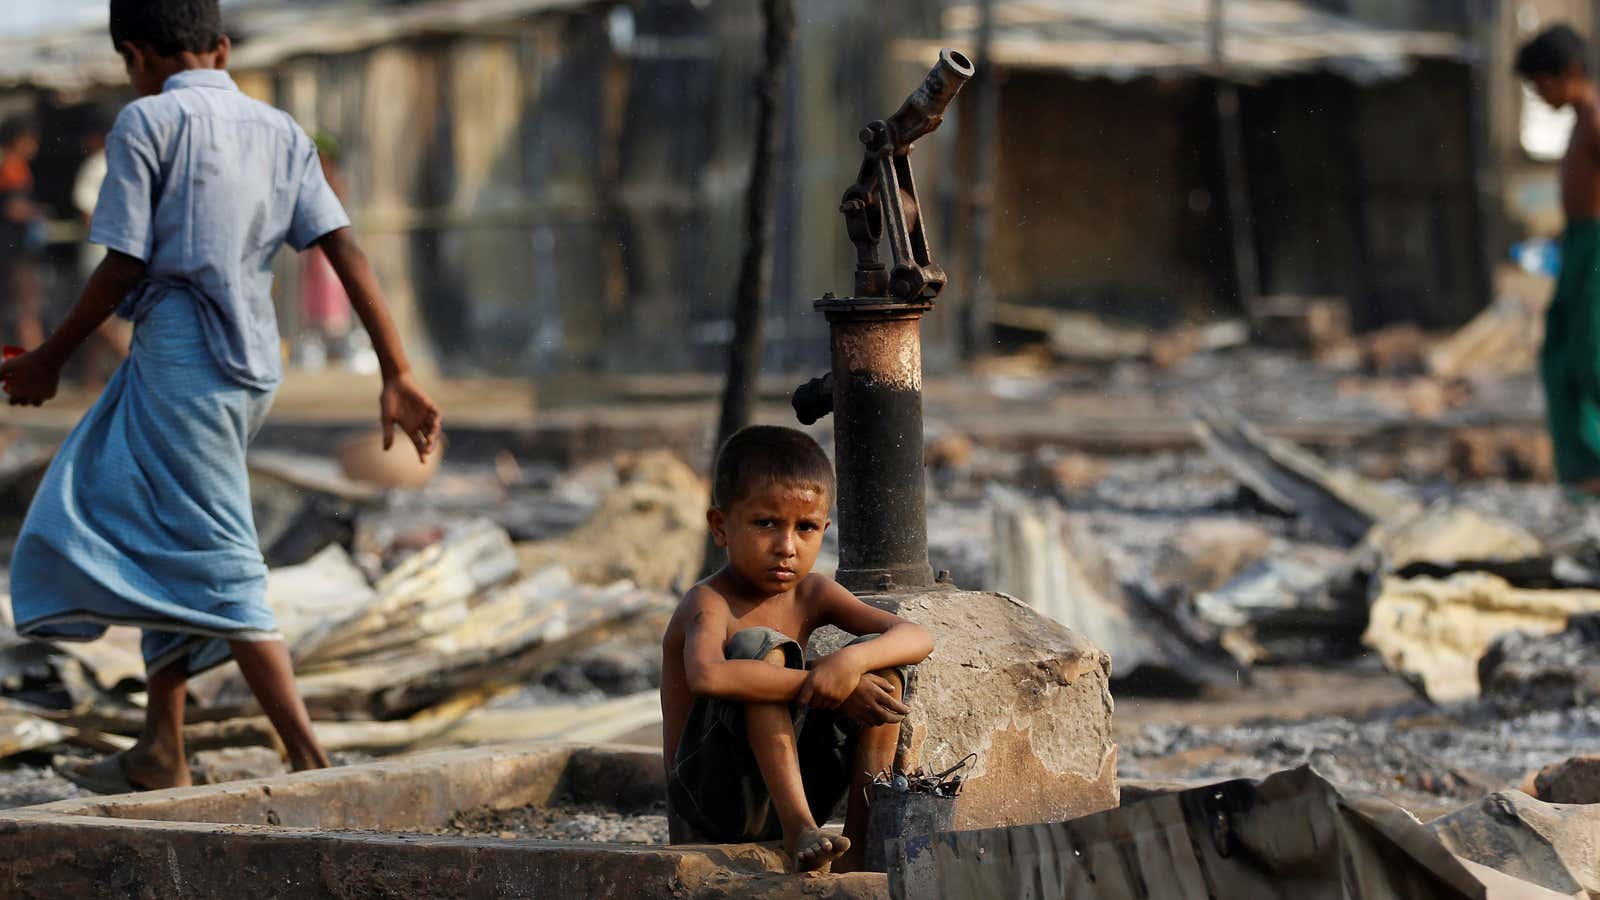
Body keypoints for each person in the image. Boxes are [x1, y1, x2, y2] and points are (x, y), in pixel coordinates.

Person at [2, 0, 441, 793]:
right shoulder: (280, 131)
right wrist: (397, 369)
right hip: (250, 363)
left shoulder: (146, 124)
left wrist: (50, 357)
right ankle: (159, 747)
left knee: (217, 554)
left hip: (183, 361)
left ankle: (311, 762)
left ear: (137, 56)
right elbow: (344, 247)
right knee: (152, 519)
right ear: (223, 49)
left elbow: (125, 261)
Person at [660, 425, 933, 873]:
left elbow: (916, 637)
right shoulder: (708, 602)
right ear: (720, 526)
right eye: (765, 524)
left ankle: (858, 846)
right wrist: (822, 681)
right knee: (760, 651)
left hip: (787, 782)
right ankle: (800, 827)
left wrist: (850, 663)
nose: (786, 547)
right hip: (710, 803)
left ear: (825, 528)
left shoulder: (813, 593)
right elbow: (709, 675)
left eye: (805, 528)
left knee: (882, 672)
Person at [1518, 25, 1600, 492]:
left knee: (1591, 358)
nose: (1540, 94)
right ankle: (1587, 471)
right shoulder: (1578, 121)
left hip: (1595, 251)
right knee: (1561, 356)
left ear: (1569, 72)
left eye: (1542, 83)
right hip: (1580, 245)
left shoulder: (1593, 117)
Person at [0, 118, 45, 349]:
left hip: (15, 250)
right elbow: (13, 208)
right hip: (14, 251)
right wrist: (38, 213)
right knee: (26, 311)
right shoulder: (11, 168)